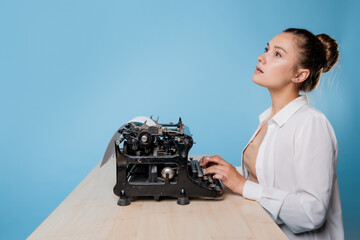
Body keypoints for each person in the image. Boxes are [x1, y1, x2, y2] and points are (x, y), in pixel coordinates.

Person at [200, 28, 344, 239]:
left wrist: (242, 185)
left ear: (299, 75)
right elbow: (270, 180)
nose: (262, 57)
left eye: (277, 54)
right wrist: (227, 172)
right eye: (267, 49)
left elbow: (312, 213)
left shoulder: (311, 124)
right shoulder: (269, 119)